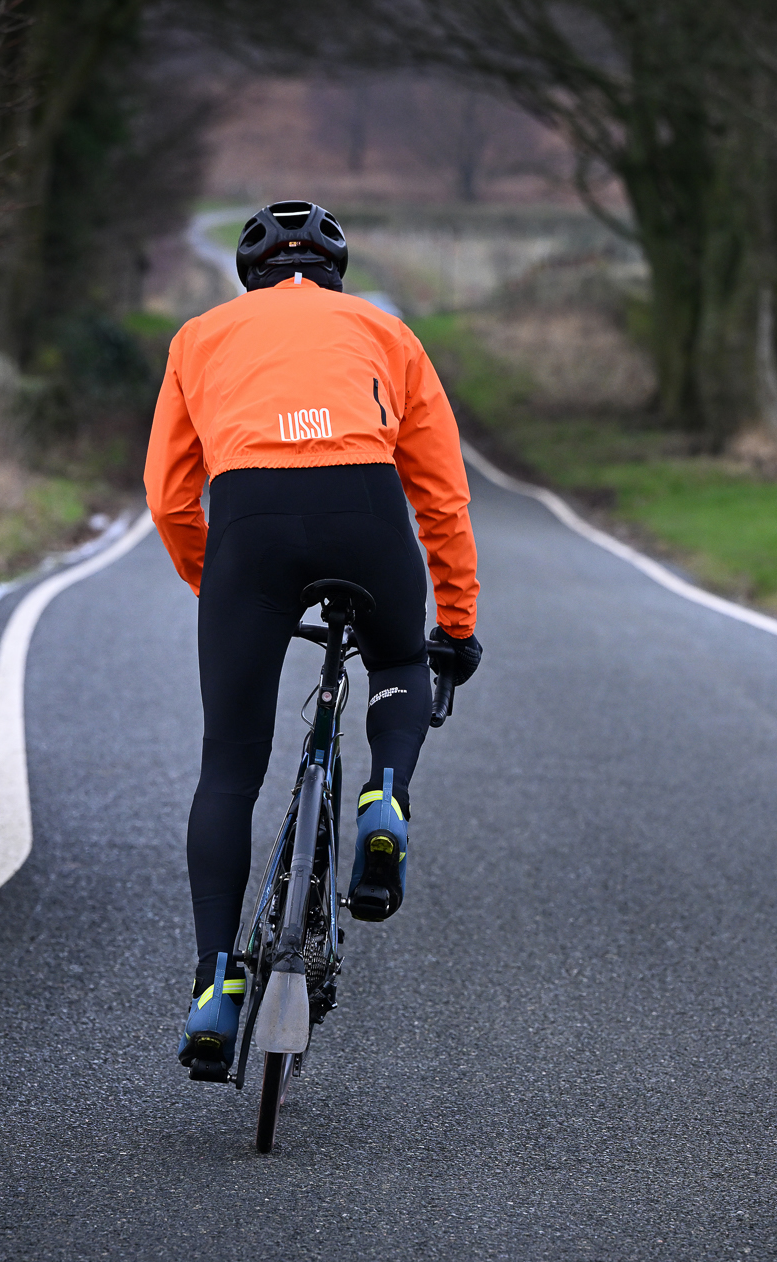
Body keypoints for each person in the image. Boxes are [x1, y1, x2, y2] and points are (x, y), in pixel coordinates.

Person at [144, 200, 483, 1081]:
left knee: (229, 769)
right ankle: (384, 798)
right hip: (365, 511)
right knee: (399, 658)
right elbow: (443, 495)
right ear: (336, 270)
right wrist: (457, 624)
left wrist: (212, 585)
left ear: (247, 274)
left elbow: (171, 497)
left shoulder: (199, 338)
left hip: (251, 530)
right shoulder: (388, 333)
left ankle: (217, 984)